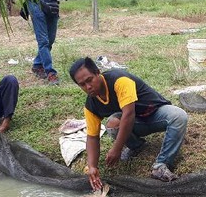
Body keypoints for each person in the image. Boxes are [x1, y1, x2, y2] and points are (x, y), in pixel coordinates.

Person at [68, 57, 188, 189]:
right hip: (136, 123)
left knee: (179, 116)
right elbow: (92, 136)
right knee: (112, 123)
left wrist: (117, 149)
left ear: (98, 72)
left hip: (155, 114)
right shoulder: (91, 105)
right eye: (82, 84)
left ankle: (161, 164)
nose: (88, 87)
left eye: (90, 80)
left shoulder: (119, 80)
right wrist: (92, 167)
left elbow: (129, 115)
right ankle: (136, 146)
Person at [23, 0, 64, 85]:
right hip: (36, 2)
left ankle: (37, 64)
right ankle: (50, 73)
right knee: (43, 41)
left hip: (51, 0)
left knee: (50, 39)